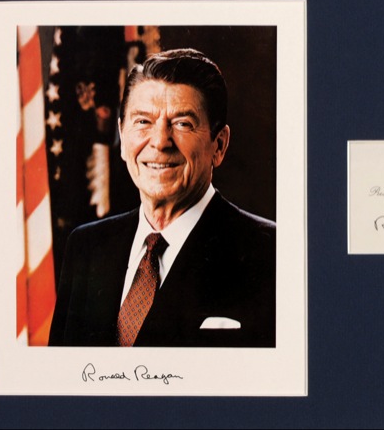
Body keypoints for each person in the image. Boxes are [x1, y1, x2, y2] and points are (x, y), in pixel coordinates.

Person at [49, 48, 275, 347]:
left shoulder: (271, 253)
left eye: (182, 123)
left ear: (219, 145)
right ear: (122, 136)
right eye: (143, 121)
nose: (159, 141)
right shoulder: (86, 247)